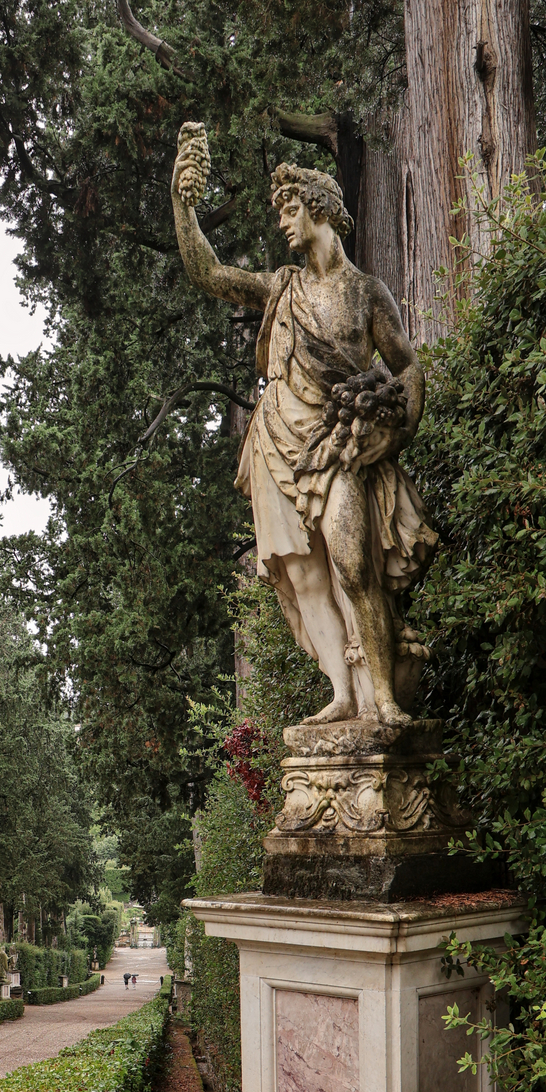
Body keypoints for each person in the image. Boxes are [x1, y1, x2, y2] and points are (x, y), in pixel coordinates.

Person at [170, 123, 436, 725]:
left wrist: (390, 435)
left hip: (339, 445)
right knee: (306, 572)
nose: (282, 223)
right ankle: (343, 696)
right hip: (278, 436)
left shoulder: (368, 293)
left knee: (351, 561)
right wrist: (183, 204)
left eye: (290, 210)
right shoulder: (281, 288)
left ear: (318, 207)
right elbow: (210, 275)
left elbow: (409, 371)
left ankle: (384, 700)